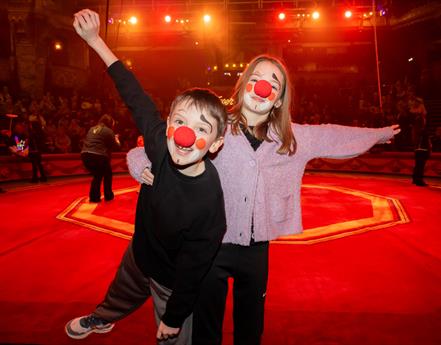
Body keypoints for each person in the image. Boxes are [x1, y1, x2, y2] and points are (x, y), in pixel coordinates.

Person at [127, 55, 401, 345]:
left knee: (250, 328)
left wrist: (378, 135)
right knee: (206, 329)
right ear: (244, 85)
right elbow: (158, 146)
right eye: (256, 79)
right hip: (210, 249)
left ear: (280, 100)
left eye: (273, 84)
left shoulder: (292, 138)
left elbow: (333, 135)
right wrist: (137, 163)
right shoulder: (216, 127)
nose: (262, 89)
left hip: (256, 251)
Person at [66, 9, 228, 344]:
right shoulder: (159, 144)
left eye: (201, 129)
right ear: (168, 126)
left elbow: (195, 268)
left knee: (173, 337)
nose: (185, 136)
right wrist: (96, 40)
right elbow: (134, 94)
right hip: (140, 253)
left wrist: (173, 316)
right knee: (120, 291)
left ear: (216, 144)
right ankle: (106, 317)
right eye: (180, 122)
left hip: (171, 279)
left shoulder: (208, 200)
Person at [81, 114, 120, 202]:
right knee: (107, 174)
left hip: (85, 155)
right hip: (98, 155)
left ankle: (94, 197)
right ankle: (108, 195)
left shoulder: (91, 129)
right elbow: (116, 147)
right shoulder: (108, 131)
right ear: (109, 123)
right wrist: (116, 139)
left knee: (98, 175)